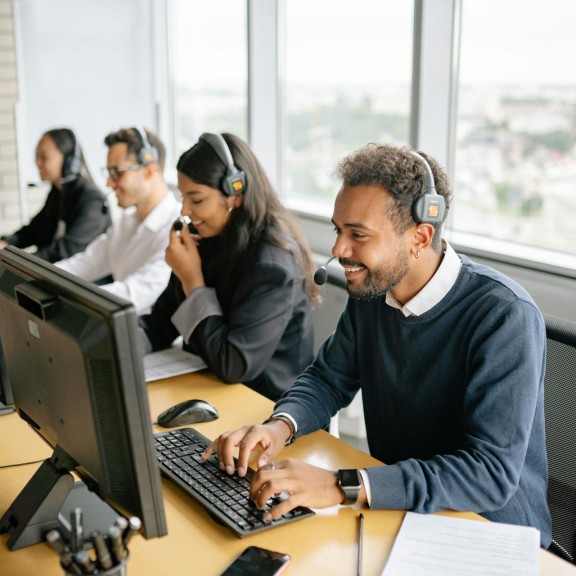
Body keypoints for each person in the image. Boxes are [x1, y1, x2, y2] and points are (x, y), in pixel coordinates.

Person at [204, 142, 552, 547]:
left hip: (488, 532)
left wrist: (344, 484)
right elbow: (328, 379)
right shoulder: (373, 293)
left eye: (358, 234)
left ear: (420, 237)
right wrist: (279, 427)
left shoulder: (504, 315)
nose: (338, 250)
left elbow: (490, 473)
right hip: (403, 509)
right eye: (338, 230)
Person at [139, 132, 320, 401]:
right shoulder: (211, 240)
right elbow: (160, 325)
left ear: (235, 193)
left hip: (264, 407)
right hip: (210, 390)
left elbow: (233, 364)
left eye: (197, 200)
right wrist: (113, 346)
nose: (185, 211)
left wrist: (192, 281)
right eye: (183, 198)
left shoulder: (272, 265)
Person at [55, 127, 181, 315]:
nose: (109, 183)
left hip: (156, 340)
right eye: (108, 173)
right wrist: (38, 277)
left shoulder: (177, 227)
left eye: (117, 173)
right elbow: (85, 263)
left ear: (148, 170)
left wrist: (69, 298)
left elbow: (132, 294)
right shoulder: (127, 222)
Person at [0, 128, 110, 262]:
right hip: (60, 273)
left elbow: (64, 252)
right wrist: (5, 243)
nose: (37, 163)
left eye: (44, 157)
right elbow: (34, 231)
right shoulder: (58, 193)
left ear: (69, 162)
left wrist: (18, 262)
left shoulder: (92, 200)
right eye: (36, 155)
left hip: (89, 279)